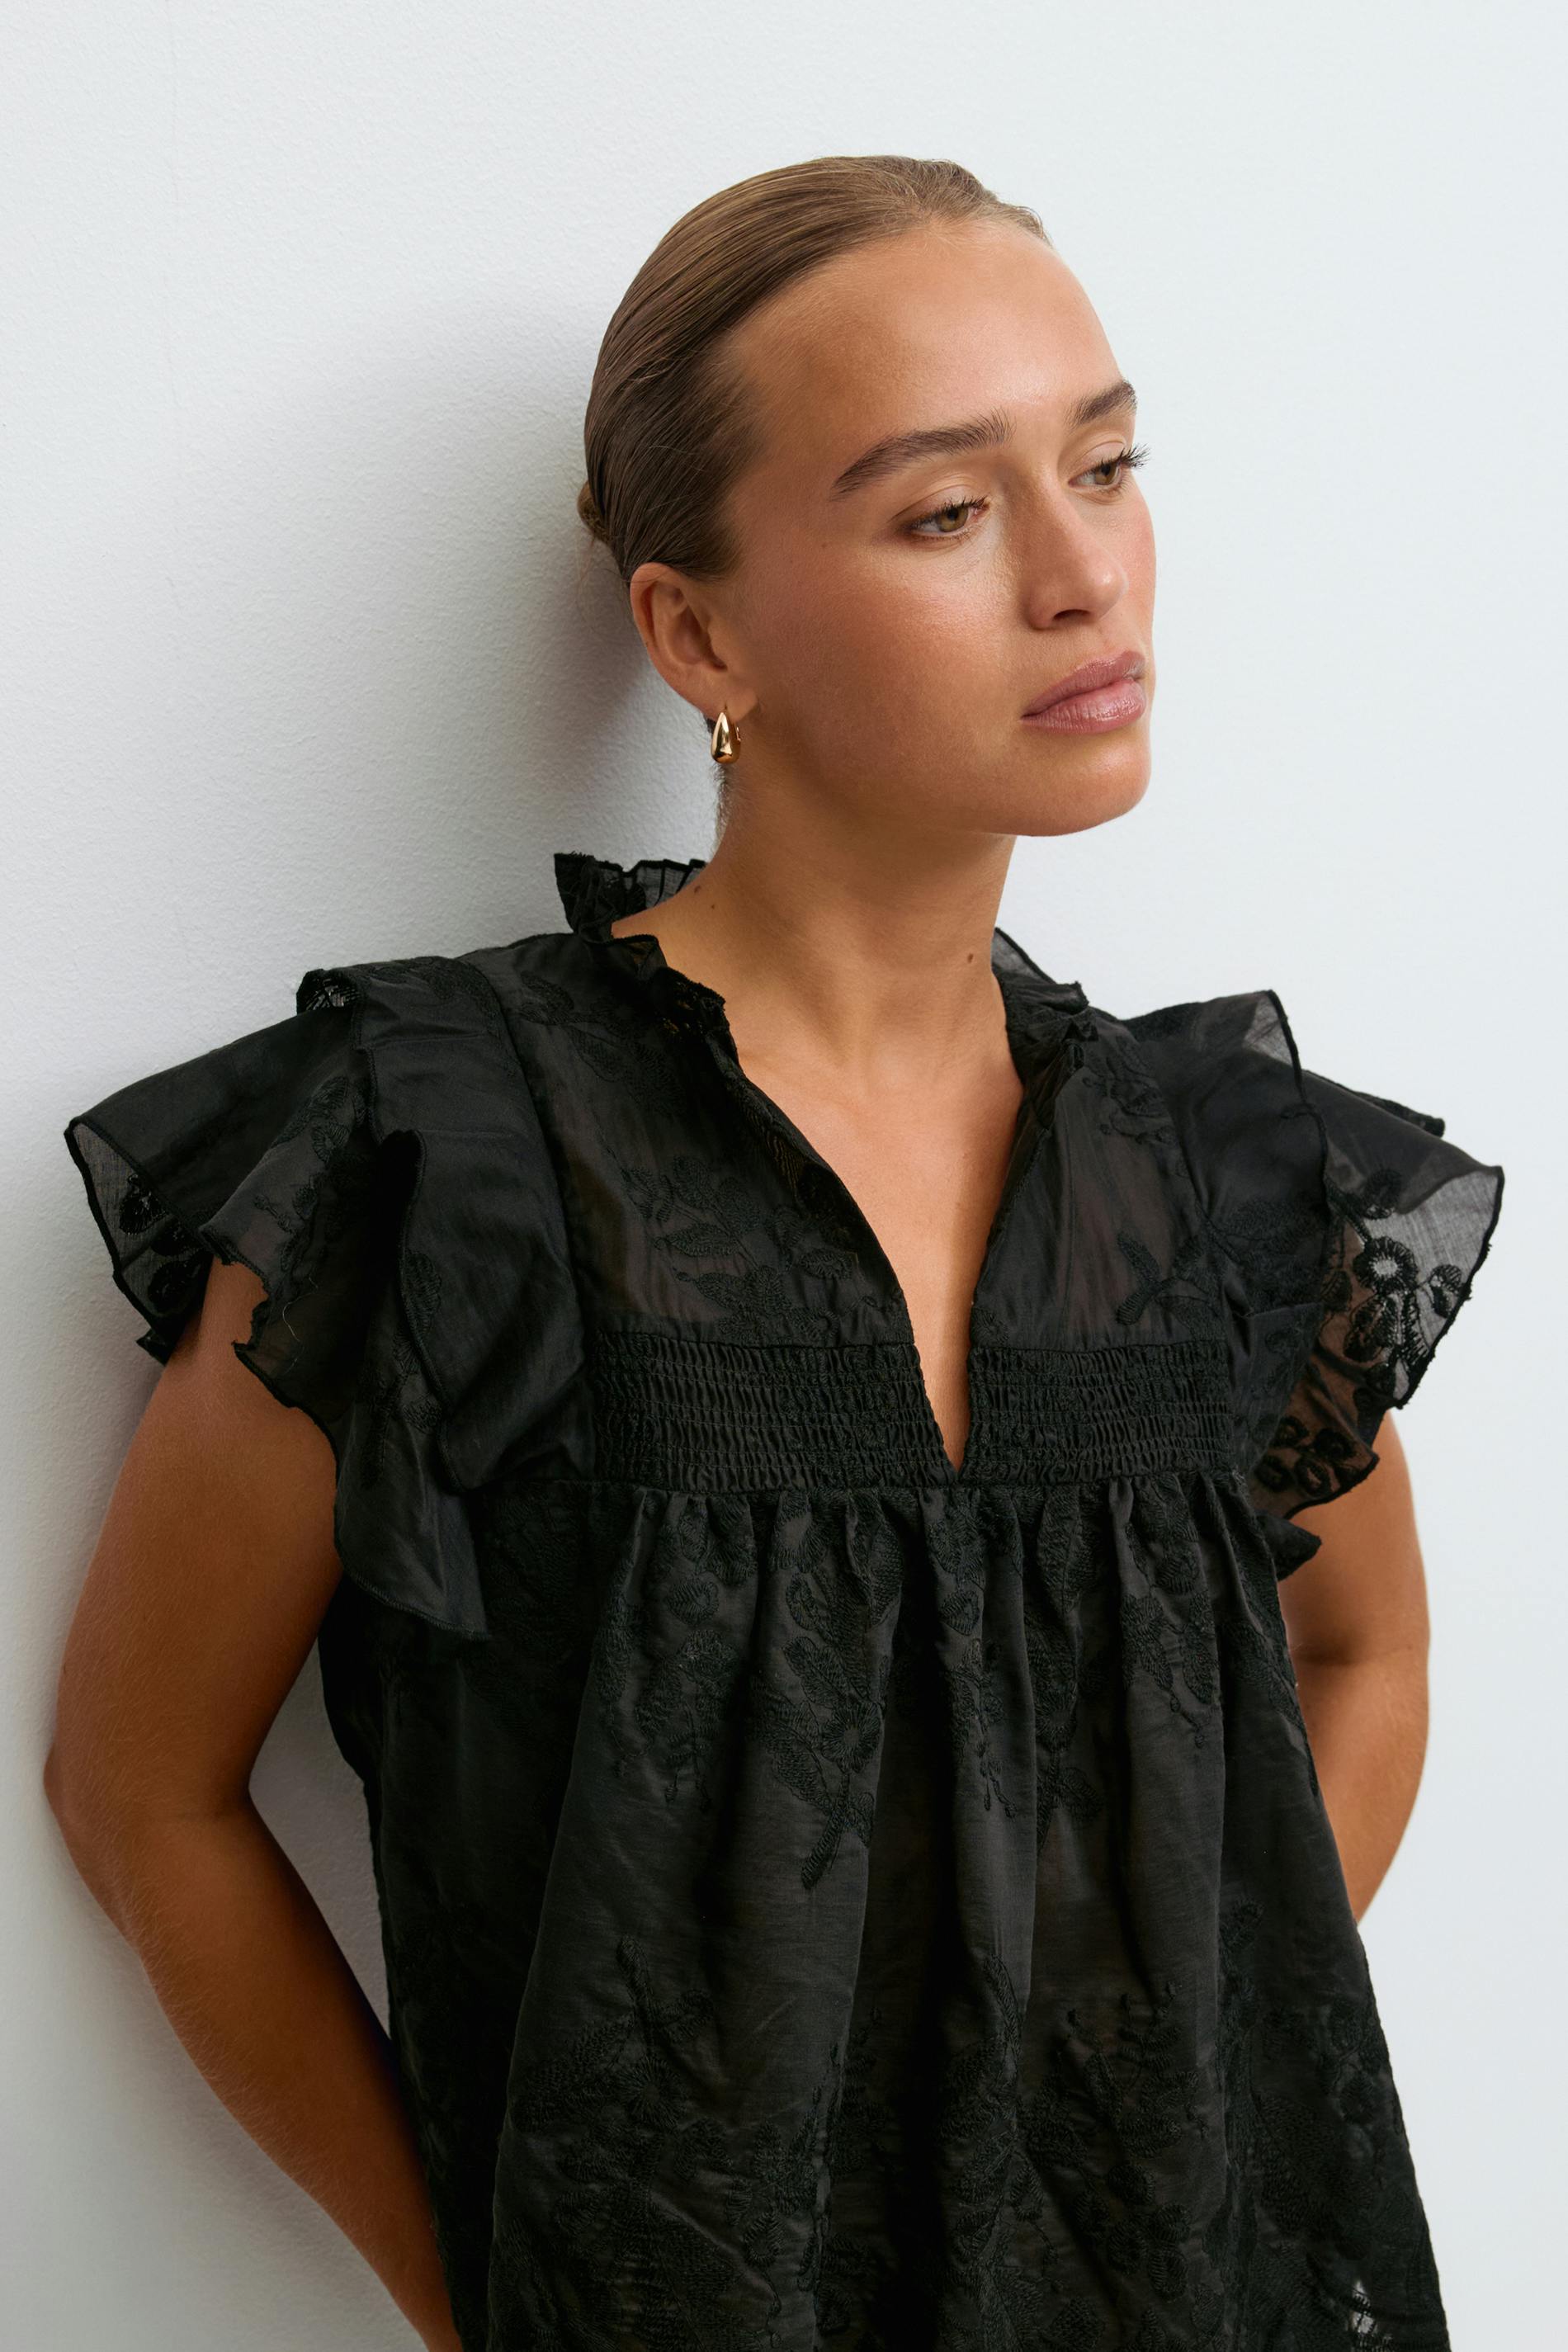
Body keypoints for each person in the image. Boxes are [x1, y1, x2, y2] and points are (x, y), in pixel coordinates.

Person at [46, 154, 1504, 2350]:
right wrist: (488, 2300)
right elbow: (142, 1787)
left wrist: (1165, 2084)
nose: (1081, 574)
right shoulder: (448, 1152)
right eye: (948, 511)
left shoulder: (1221, 1175)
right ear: (699, 636)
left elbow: (1366, 1653)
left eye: (1107, 466)